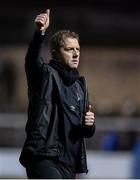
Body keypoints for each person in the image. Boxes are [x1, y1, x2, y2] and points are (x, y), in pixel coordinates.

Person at [19, 9, 95, 179]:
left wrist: (89, 125)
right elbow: (31, 60)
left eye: (78, 49)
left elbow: (83, 131)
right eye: (69, 49)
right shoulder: (44, 75)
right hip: (43, 156)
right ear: (55, 53)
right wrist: (40, 33)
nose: (76, 54)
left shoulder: (80, 86)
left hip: (69, 163)